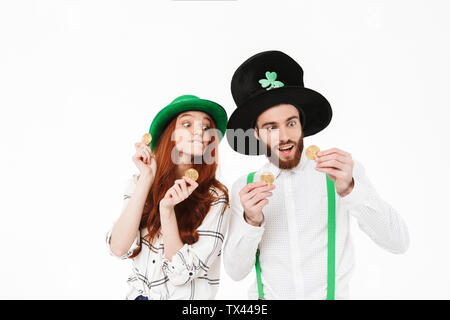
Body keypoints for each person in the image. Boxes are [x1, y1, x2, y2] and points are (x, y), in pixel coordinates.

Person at [223, 50, 409, 299]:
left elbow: (398, 242)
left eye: (291, 123)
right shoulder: (243, 189)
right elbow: (235, 272)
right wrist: (251, 220)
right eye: (271, 127)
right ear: (256, 134)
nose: (285, 136)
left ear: (302, 124)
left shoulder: (339, 172)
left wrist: (351, 190)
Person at [106, 95, 229, 300]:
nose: (200, 132)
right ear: (168, 134)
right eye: (187, 124)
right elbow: (118, 248)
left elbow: (183, 275)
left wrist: (167, 211)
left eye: (206, 128)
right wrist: (147, 179)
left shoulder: (216, 197)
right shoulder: (139, 183)